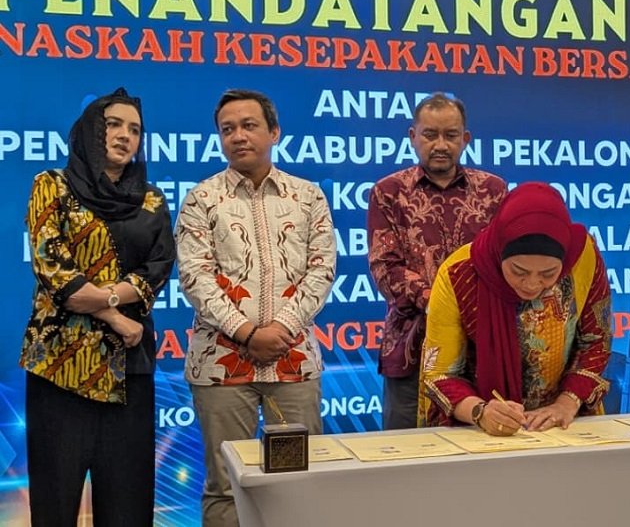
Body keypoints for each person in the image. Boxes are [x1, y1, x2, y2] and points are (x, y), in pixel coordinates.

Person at [176, 89, 336, 527]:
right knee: (226, 486)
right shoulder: (202, 199)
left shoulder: (307, 196)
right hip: (220, 366)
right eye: (227, 129)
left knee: (297, 481)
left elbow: (322, 269)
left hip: (293, 361)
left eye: (249, 126)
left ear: (274, 132)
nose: (238, 136)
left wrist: (279, 329)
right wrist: (247, 333)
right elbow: (195, 276)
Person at [20, 87, 174, 526]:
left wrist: (107, 300)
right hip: (59, 366)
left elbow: (158, 267)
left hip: (130, 369)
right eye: (113, 125)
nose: (125, 136)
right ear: (90, 130)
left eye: (135, 130)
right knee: (54, 504)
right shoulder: (51, 185)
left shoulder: (151, 200)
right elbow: (55, 270)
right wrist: (114, 314)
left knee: (128, 507)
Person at [418, 182, 611, 435]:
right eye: (518, 271)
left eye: (548, 274)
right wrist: (480, 412)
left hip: (564, 423)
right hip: (482, 428)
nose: (531, 284)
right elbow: (439, 373)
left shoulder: (583, 258)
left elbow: (597, 342)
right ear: (500, 253)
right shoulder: (459, 274)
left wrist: (565, 403)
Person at [368, 92, 506, 429]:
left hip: (480, 347)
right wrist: (439, 304)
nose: (440, 145)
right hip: (411, 345)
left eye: (451, 135)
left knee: (481, 446)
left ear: (465, 138)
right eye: (430, 134)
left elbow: (504, 263)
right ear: (413, 136)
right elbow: (385, 267)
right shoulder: (388, 192)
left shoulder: (494, 190)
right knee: (403, 451)